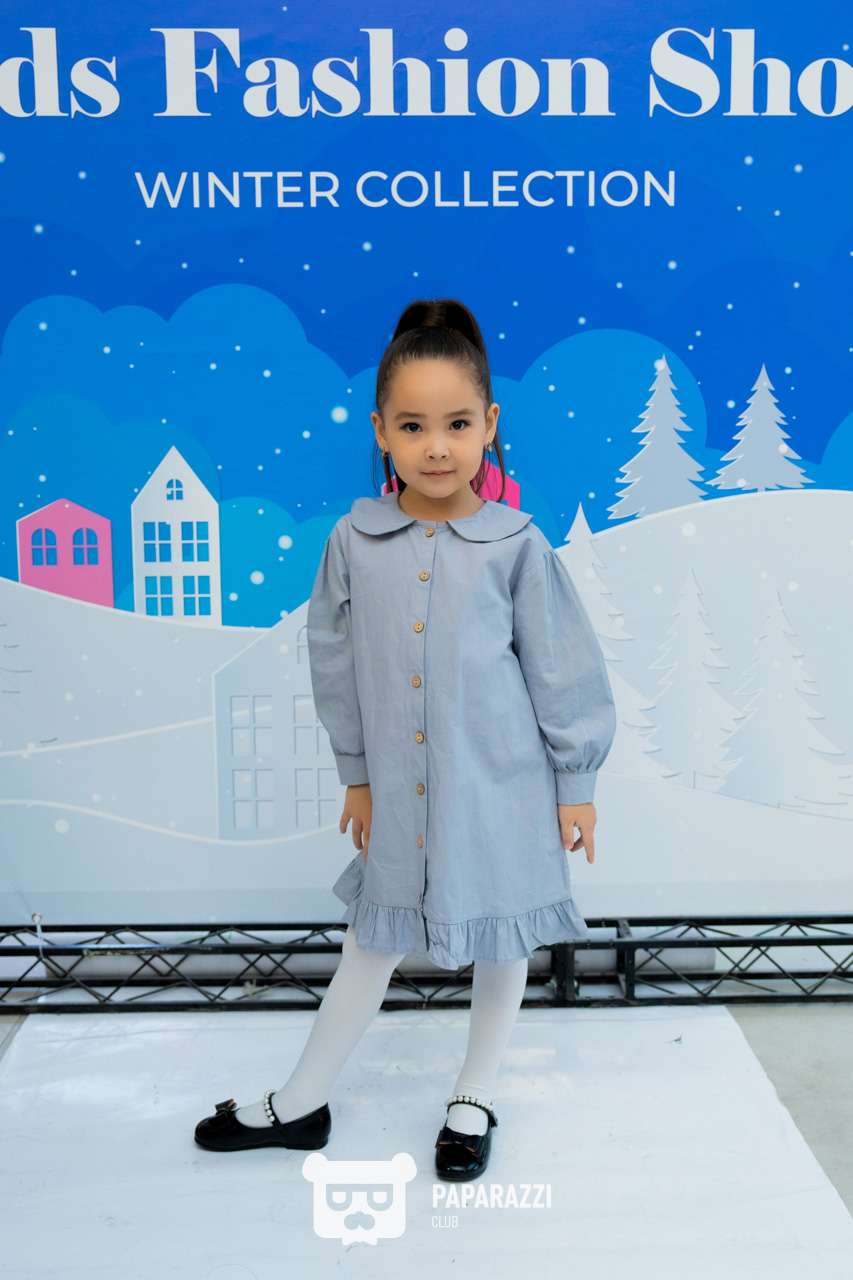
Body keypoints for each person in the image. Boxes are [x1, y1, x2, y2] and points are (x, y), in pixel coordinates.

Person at [194, 297, 617, 1181]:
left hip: (503, 787)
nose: (436, 447)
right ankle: (300, 1101)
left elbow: (561, 669)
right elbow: (335, 665)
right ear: (381, 431)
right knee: (372, 942)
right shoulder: (354, 542)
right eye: (413, 426)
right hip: (398, 792)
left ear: (489, 424)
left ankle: (474, 1096)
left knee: (503, 938)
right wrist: (356, 774)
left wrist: (574, 784)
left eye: (457, 424)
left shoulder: (515, 545)